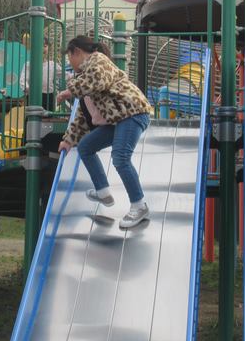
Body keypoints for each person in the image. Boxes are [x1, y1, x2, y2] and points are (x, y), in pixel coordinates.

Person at [56, 36, 152, 229]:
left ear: (77, 52)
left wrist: (69, 91)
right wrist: (68, 140)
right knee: (85, 147)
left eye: (69, 57)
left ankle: (139, 205)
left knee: (120, 157)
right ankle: (103, 191)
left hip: (132, 112)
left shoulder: (98, 60)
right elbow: (83, 116)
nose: (70, 63)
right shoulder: (85, 79)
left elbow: (98, 80)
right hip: (117, 119)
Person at [19, 36, 63, 111]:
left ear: (48, 48)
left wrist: (74, 75)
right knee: (33, 115)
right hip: (33, 95)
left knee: (49, 115)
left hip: (48, 96)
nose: (42, 48)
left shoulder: (52, 64)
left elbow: (64, 74)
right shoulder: (29, 64)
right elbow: (22, 80)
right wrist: (28, 88)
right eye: (39, 46)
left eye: (45, 46)